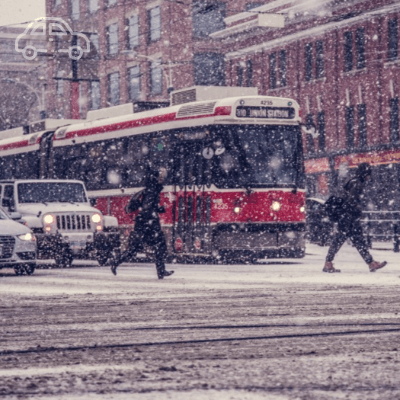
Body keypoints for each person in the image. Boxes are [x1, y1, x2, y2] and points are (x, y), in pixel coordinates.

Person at [111, 167, 174, 279]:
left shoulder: (151, 189)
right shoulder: (152, 191)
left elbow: (147, 207)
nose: (162, 179)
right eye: (160, 177)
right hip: (147, 225)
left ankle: (161, 271)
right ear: (155, 178)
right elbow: (147, 208)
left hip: (144, 224)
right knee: (143, 248)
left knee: (154, 246)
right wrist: (156, 212)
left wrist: (157, 209)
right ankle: (115, 262)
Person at [323, 162, 387, 273]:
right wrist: (356, 211)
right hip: (349, 218)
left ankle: (370, 263)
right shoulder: (357, 183)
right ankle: (328, 263)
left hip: (347, 217)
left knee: (356, 240)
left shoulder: (353, 181)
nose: (369, 176)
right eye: (368, 174)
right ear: (364, 173)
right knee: (342, 240)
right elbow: (351, 201)